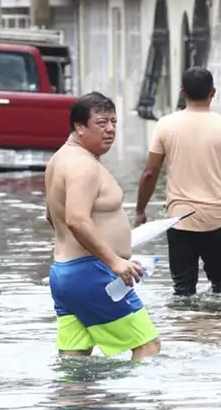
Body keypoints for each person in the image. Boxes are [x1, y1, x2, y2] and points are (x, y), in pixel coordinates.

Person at [45, 92, 160, 361]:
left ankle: (79, 404)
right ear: (79, 127)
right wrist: (114, 261)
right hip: (92, 274)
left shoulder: (58, 160)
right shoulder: (82, 166)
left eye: (114, 122)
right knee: (148, 347)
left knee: (75, 359)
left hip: (65, 275)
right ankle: (131, 403)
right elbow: (76, 219)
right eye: (101, 123)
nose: (110, 130)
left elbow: (51, 216)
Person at [135, 67, 221, 296]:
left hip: (179, 220)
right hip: (217, 219)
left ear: (182, 93)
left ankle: (184, 332)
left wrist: (140, 209)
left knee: (183, 290)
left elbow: (150, 173)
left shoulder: (166, 125)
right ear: (213, 92)